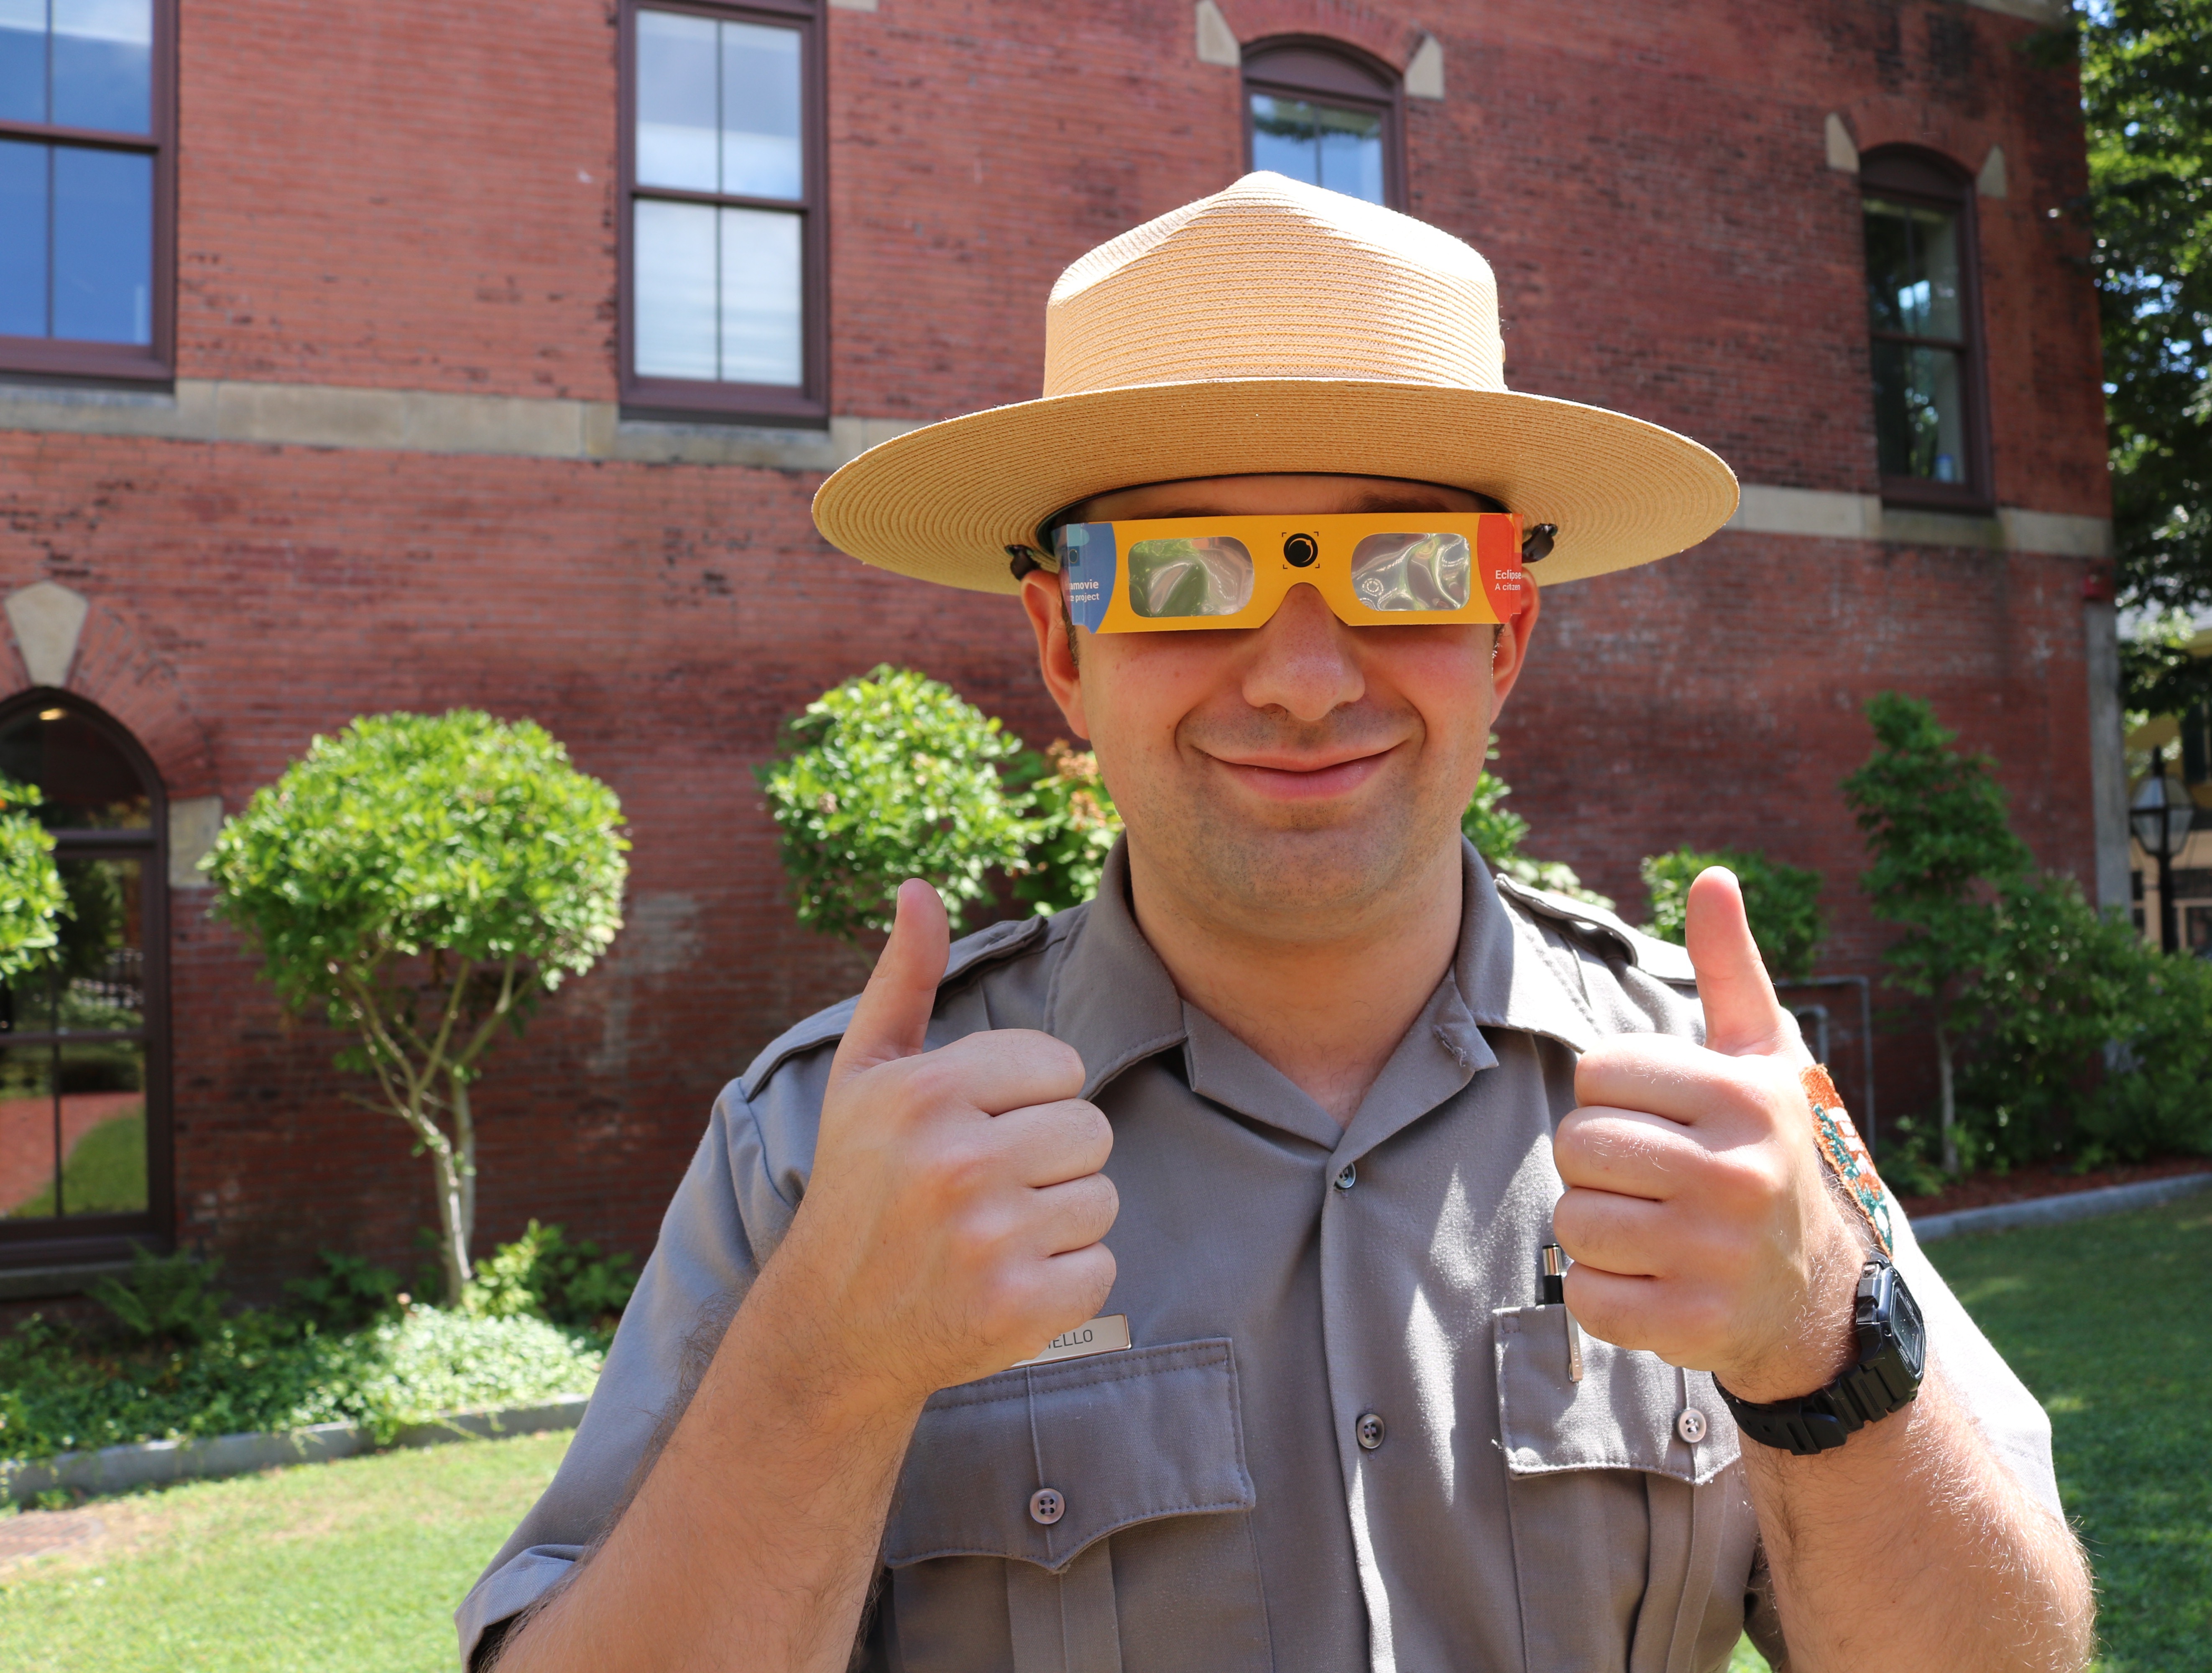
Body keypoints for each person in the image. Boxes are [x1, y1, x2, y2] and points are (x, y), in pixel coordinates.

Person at [461, 172, 2094, 1673]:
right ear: (1061, 644)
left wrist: (1833, 1345)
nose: (1306, 677)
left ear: (1504, 633)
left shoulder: (1724, 1094)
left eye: (1401, 569)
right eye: (1182, 577)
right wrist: (816, 1367)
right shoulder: (825, 1149)